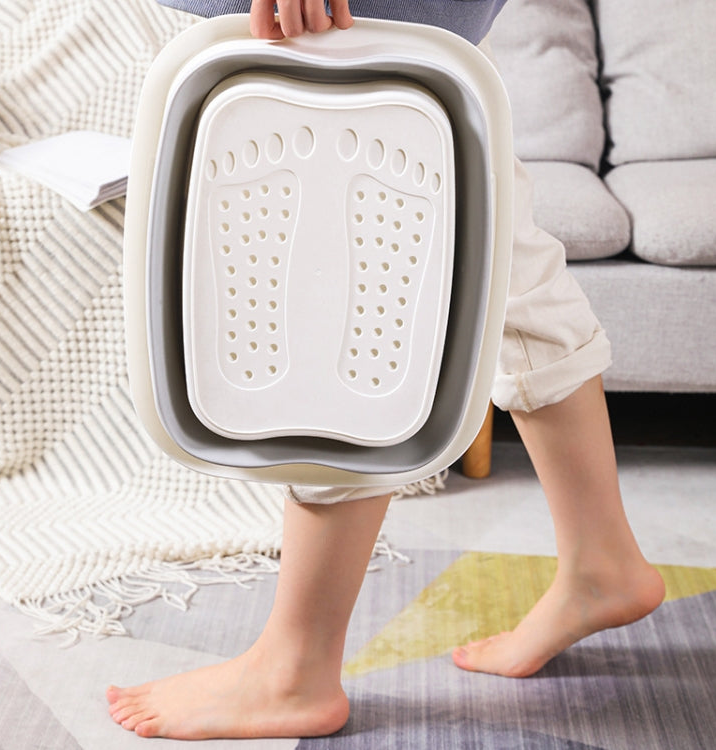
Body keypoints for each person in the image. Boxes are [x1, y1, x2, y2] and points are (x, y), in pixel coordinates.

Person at [106, 0, 665, 739]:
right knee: (502, 260)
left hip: (340, 16)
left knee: (348, 310)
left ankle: (295, 670)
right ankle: (602, 559)